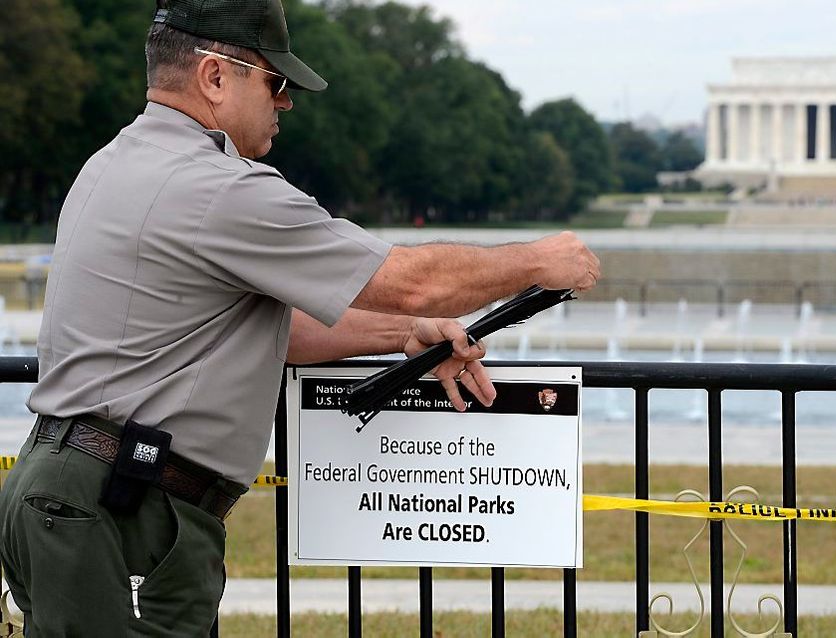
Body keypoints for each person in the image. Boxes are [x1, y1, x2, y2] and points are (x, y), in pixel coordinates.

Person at [0, 0, 601, 635]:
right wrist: (539, 260)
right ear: (214, 76)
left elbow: (261, 329)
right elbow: (414, 283)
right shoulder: (219, 188)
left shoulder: (114, 163)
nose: (285, 102)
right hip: (119, 502)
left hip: (80, 489)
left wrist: (401, 336)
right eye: (275, 81)